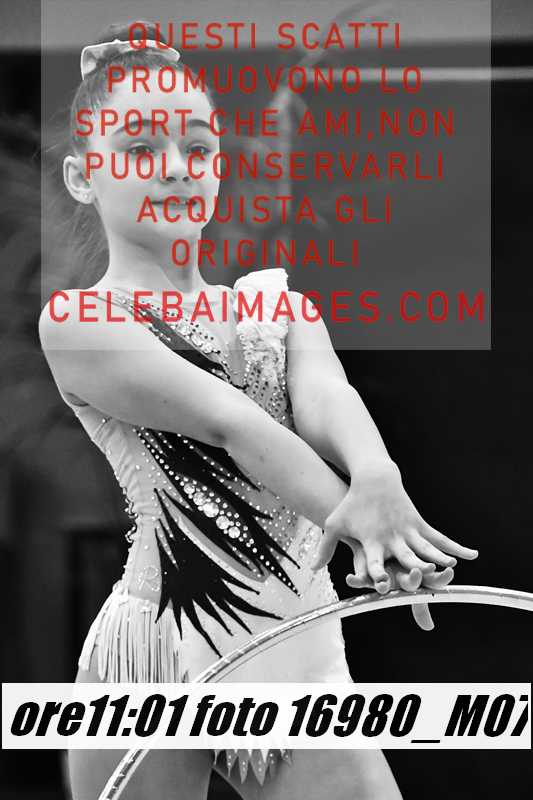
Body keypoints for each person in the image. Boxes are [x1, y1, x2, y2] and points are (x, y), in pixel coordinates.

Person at [39, 22, 478, 800]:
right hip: (157, 648)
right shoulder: (81, 321)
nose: (176, 168)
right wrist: (364, 531)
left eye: (198, 147)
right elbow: (230, 423)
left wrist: (377, 478)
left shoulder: (278, 307)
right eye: (140, 148)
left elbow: (328, 397)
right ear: (83, 177)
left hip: (294, 643)